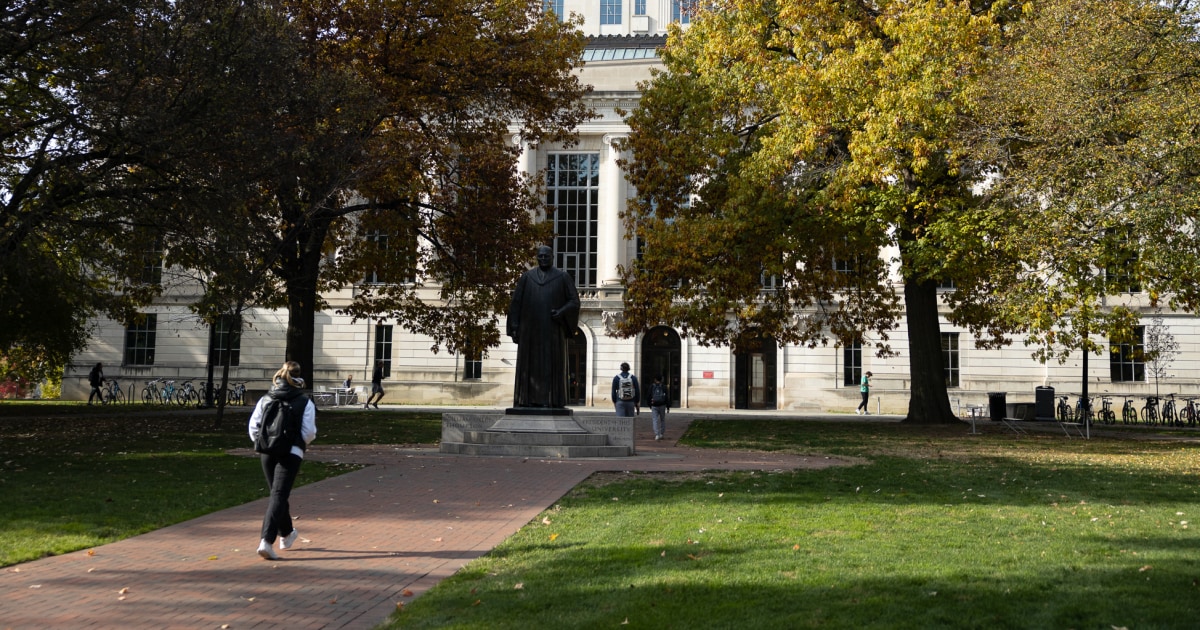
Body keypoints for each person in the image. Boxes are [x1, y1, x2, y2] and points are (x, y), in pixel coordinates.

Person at [248, 361, 317, 560]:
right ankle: (266, 541)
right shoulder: (305, 402)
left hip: (267, 451)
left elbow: (253, 427)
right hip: (291, 452)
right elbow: (309, 433)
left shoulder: (266, 398)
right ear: (299, 378)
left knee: (277, 494)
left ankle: (287, 533)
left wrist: (263, 442)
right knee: (279, 495)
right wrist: (298, 444)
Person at [507, 245, 580, 408]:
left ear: (552, 257)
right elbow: (516, 303)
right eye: (540, 256)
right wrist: (514, 326)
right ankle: (526, 400)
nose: (543, 259)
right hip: (529, 331)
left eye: (546, 256)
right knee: (529, 365)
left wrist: (561, 312)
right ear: (537, 258)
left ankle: (552, 400)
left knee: (551, 364)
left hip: (552, 329)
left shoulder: (562, 277)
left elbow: (574, 301)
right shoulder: (527, 277)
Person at [649, 374, 669, 440]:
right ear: (661, 379)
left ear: (655, 379)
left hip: (654, 405)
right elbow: (667, 397)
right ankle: (662, 434)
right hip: (662, 405)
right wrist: (668, 406)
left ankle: (657, 434)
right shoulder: (664, 386)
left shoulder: (652, 386)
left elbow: (649, 395)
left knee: (655, 419)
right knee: (662, 419)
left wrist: (650, 404)